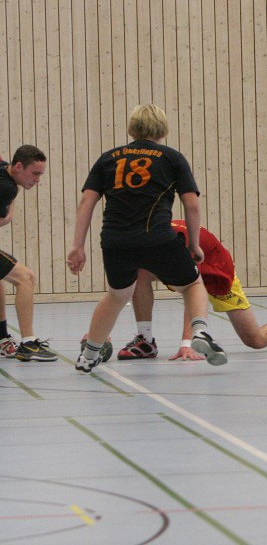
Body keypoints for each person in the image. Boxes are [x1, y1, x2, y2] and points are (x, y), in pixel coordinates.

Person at [67, 104, 228, 372]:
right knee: (191, 284)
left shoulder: (108, 158)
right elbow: (192, 205)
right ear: (162, 128)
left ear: (133, 128)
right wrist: (194, 244)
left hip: (115, 241)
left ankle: (89, 355)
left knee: (117, 295)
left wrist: (77, 246)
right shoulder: (172, 158)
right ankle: (199, 331)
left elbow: (87, 201)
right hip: (158, 239)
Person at [116, 220, 267, 361]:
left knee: (254, 339)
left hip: (218, 272)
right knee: (140, 273)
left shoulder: (180, 243)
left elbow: (192, 290)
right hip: (191, 269)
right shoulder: (147, 237)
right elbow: (121, 287)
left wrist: (186, 344)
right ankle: (145, 340)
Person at [0, 145, 57, 362]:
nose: (37, 180)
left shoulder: (5, 169)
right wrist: (9, 213)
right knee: (25, 277)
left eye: (40, 175)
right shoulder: (7, 188)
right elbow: (2, 220)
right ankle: (28, 343)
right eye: (34, 174)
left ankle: (2, 338)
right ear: (18, 167)